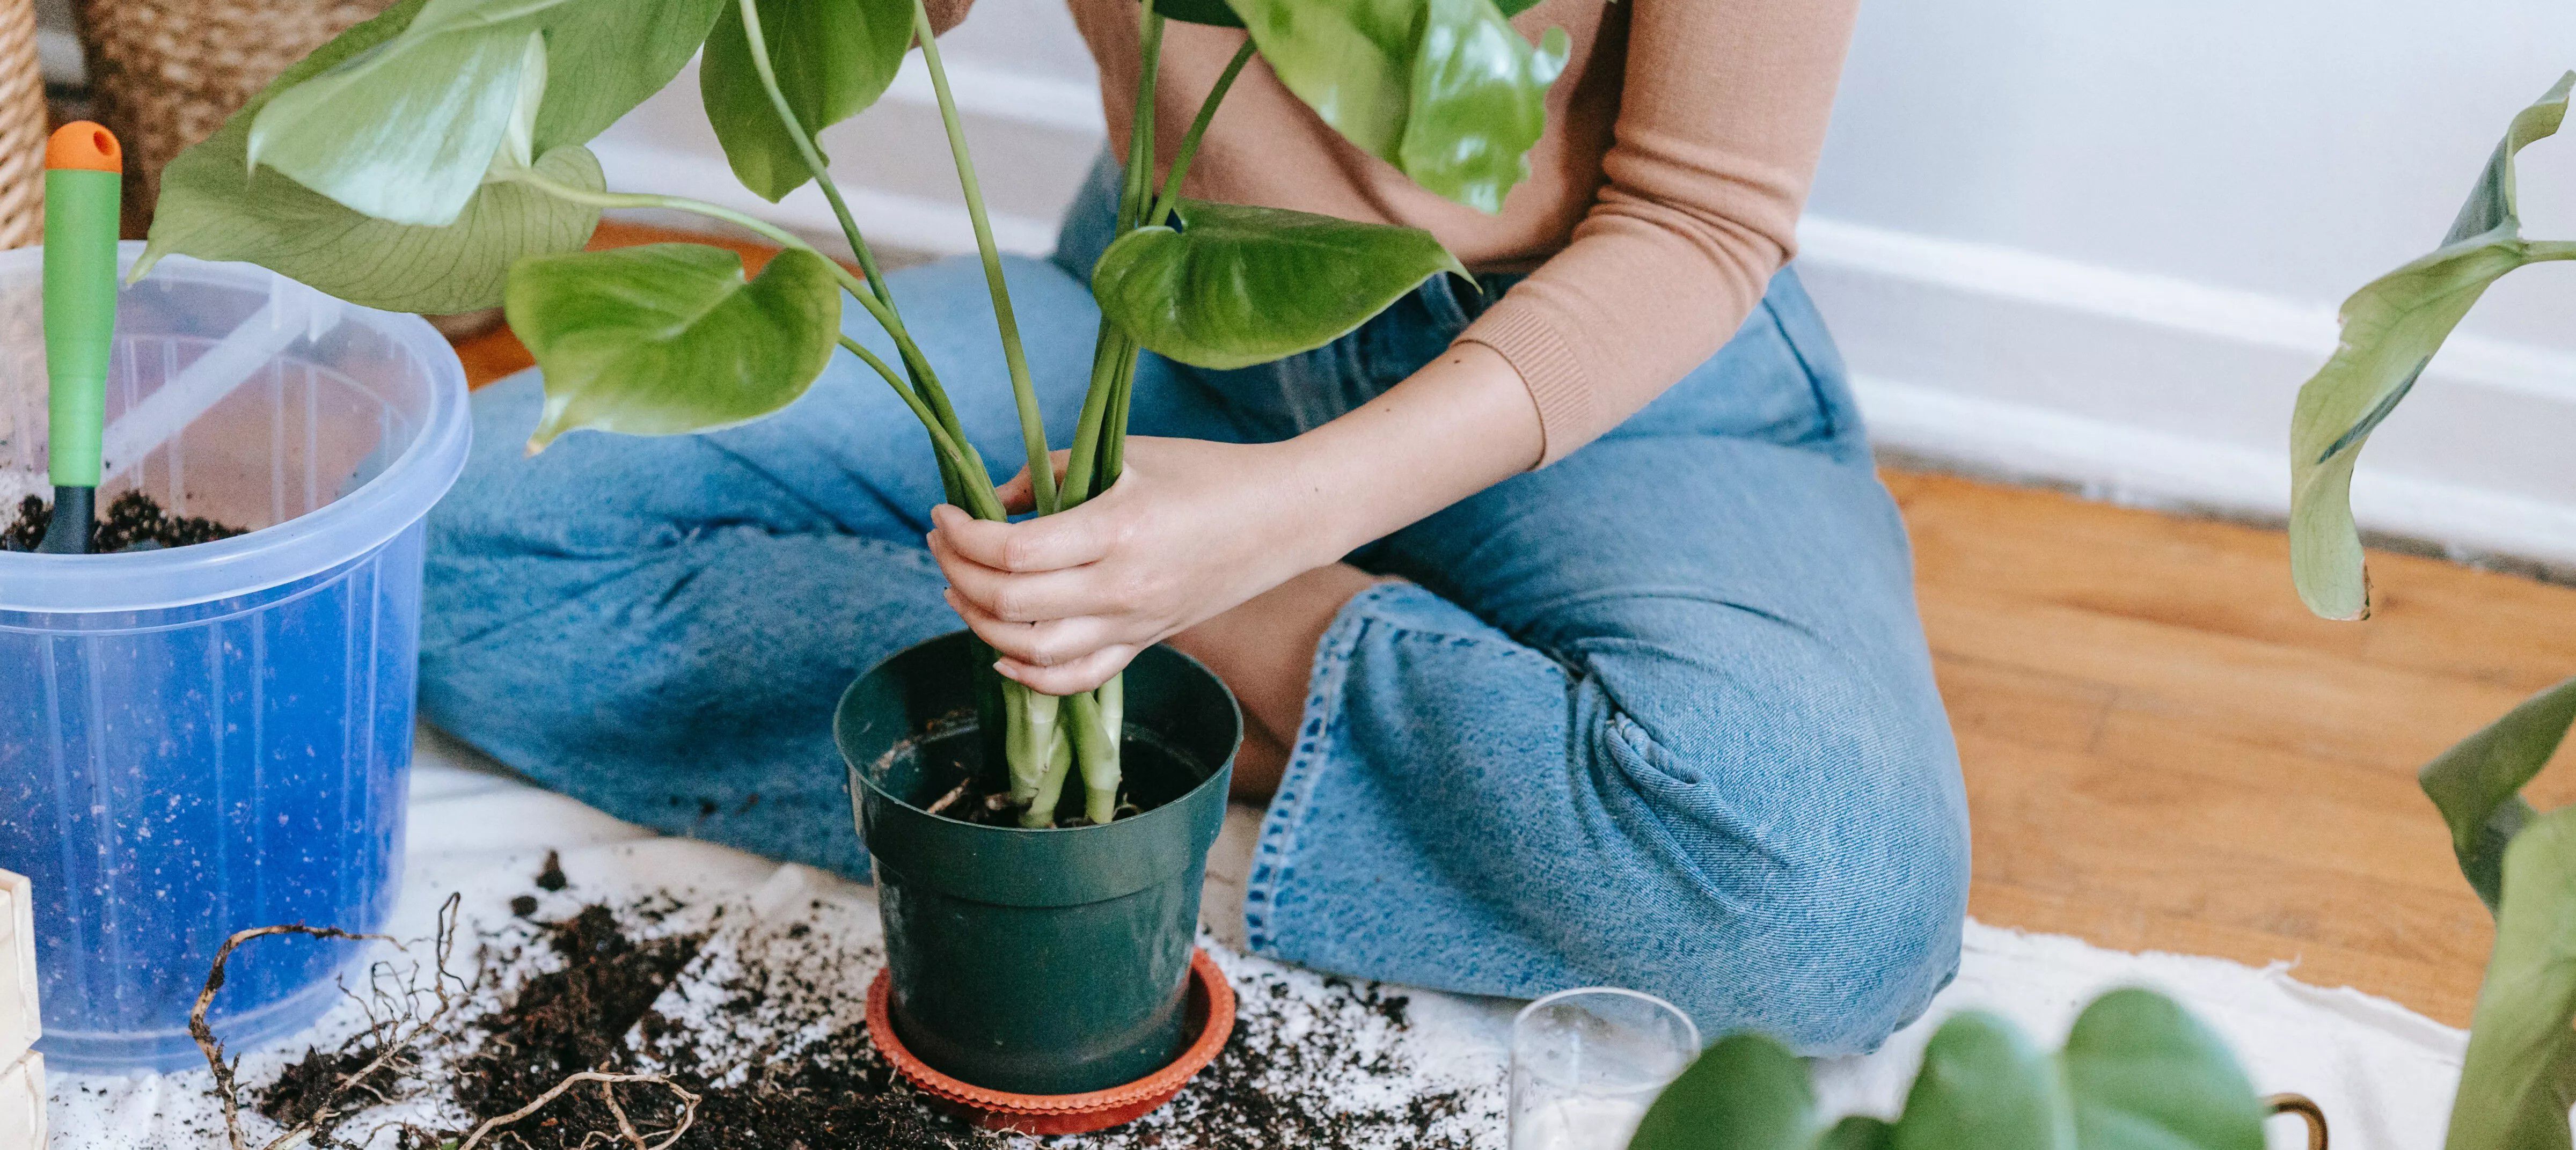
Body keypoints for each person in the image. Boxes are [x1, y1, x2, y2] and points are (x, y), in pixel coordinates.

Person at [421, 0, 1969, 1053]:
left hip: (1588, 361)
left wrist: (1255, 558)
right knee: (458, 536)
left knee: (1831, 905)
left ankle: (1164, 667)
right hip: (1160, 315)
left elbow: (1701, 220)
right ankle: (1233, 709)